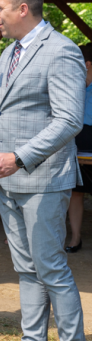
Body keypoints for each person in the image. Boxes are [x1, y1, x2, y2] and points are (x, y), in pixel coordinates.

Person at [0, 0, 90, 341]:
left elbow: (70, 119)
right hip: (9, 180)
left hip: (43, 178)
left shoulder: (61, 51)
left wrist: (19, 158)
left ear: (23, 9)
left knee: (51, 268)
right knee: (25, 268)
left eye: (0, 8)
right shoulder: (7, 55)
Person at [65, 43, 92, 253]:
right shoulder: (72, 87)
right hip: (75, 149)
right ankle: (75, 238)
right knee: (76, 193)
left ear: (87, 65)